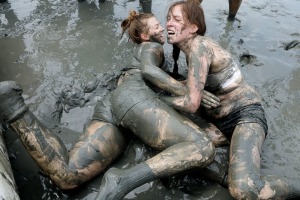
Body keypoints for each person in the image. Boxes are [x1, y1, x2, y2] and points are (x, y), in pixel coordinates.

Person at [0, 11, 227, 192]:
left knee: (68, 176)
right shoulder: (152, 47)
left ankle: (16, 109)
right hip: (134, 98)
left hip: (115, 105)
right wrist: (188, 91)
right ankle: (123, 182)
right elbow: (148, 71)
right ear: (145, 37)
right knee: (201, 146)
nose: (162, 27)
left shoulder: (137, 55)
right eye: (156, 25)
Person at [162, 0, 300, 199]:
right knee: (174, 148)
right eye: (168, 19)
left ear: (193, 27)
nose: (169, 24)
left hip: (245, 118)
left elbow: (191, 104)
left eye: (176, 19)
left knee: (243, 190)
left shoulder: (199, 47)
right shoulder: (191, 49)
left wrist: (163, 99)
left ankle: (293, 188)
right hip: (218, 124)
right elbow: (194, 85)